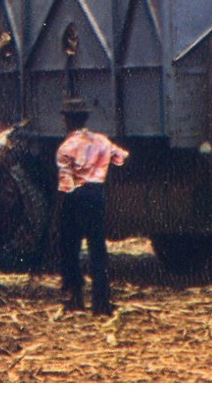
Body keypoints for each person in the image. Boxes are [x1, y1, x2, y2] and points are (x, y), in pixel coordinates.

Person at [55, 98, 127, 316]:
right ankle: (102, 304)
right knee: (98, 249)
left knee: (70, 249)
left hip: (74, 196)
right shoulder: (102, 141)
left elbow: (65, 182)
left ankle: (74, 299)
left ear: (67, 121)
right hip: (96, 195)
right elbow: (121, 158)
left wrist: (60, 209)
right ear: (85, 119)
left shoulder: (66, 147)